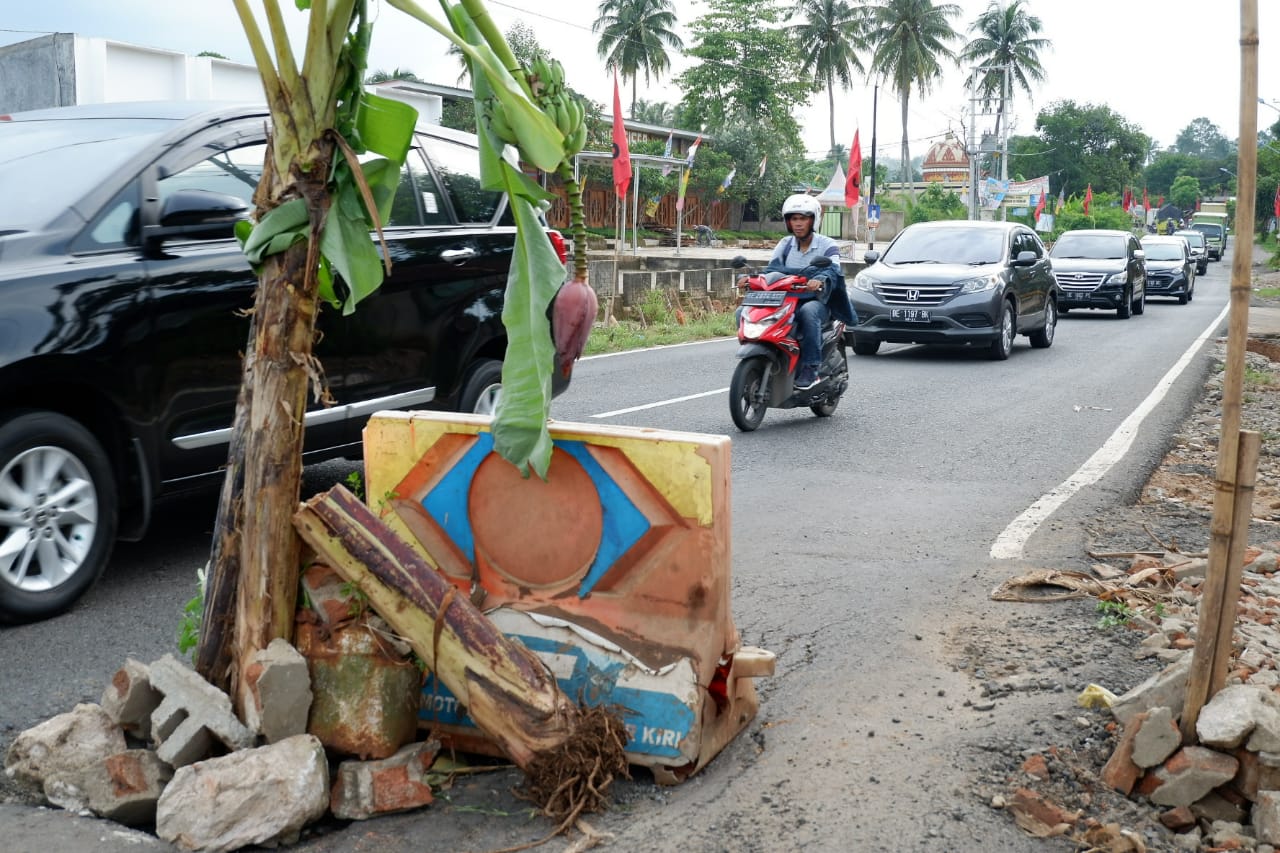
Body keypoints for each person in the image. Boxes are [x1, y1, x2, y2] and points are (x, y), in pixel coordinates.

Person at [761, 194, 856, 391]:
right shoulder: (785, 245)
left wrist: (819, 280)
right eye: (794, 219)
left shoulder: (827, 245)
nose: (798, 224)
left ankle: (810, 368)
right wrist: (750, 279)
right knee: (750, 312)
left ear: (814, 220)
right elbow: (771, 270)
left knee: (808, 312)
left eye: (803, 218)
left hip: (819, 300)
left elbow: (833, 269)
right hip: (788, 299)